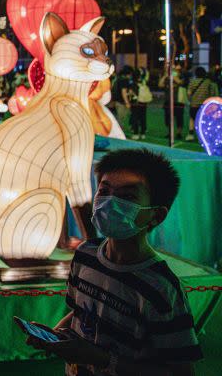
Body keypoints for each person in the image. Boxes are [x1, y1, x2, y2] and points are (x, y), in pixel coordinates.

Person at [27, 149, 201, 374]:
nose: (110, 203)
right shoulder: (85, 256)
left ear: (156, 216)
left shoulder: (161, 290)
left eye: (127, 197)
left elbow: (181, 371)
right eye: (105, 191)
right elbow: (80, 313)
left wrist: (101, 359)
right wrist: (54, 336)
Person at [186, 67, 219, 141]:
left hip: (194, 104)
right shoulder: (208, 82)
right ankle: (204, 136)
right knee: (204, 121)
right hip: (204, 105)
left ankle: (191, 135)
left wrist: (191, 100)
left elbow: (189, 93)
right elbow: (211, 94)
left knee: (192, 119)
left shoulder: (192, 82)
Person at [130, 68, 152, 140]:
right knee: (143, 117)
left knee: (135, 118)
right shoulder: (144, 81)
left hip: (135, 103)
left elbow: (131, 94)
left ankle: (136, 133)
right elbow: (147, 75)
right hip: (143, 102)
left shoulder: (132, 83)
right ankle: (143, 133)